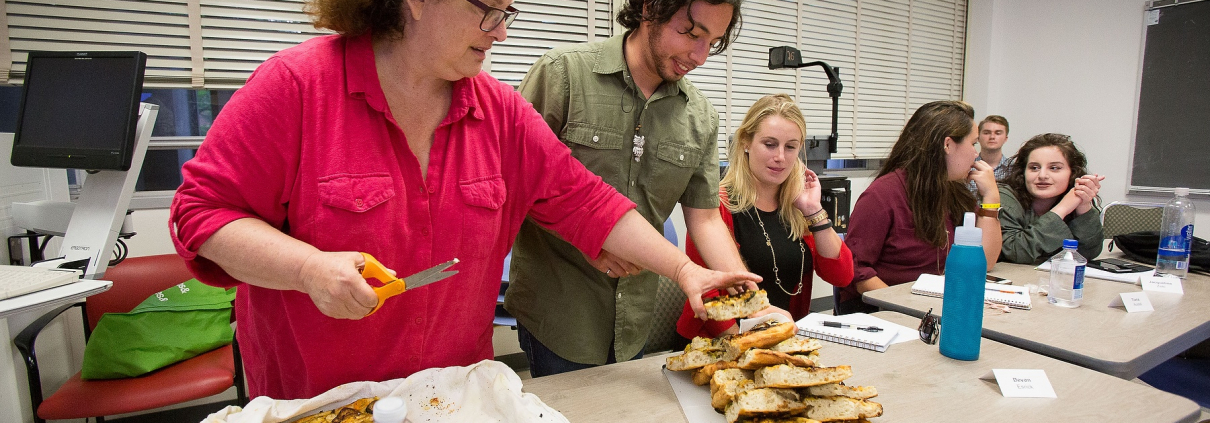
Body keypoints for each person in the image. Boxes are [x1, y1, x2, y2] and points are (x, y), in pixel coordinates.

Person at [169, 0, 758, 400]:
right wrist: (306, 268)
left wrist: (685, 270)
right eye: (488, 10)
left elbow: (587, 202)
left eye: (508, 12)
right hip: (320, 400)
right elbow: (202, 215)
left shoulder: (496, 111)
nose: (501, 31)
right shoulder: (296, 87)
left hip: (451, 396)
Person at [505, 0, 751, 377]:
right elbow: (511, 184)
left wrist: (748, 300)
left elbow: (705, 220)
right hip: (558, 311)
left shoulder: (701, 117)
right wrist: (587, 235)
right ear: (651, 9)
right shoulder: (563, 74)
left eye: (713, 42)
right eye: (692, 33)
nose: (699, 57)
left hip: (634, 318)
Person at [675, 94, 854, 339]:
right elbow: (708, 294)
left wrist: (814, 212)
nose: (780, 156)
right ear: (746, 142)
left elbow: (841, 276)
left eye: (790, 147)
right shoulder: (716, 206)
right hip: (720, 340)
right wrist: (743, 346)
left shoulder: (797, 207)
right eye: (770, 144)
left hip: (781, 337)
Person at [839, 100, 1003, 315]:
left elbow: (986, 262)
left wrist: (990, 198)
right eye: (973, 144)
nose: (976, 154)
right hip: (888, 311)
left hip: (936, 306)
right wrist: (911, 312)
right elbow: (858, 272)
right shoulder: (883, 195)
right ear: (947, 145)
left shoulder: (954, 191)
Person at [998, 133, 1105, 264]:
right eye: (1034, 168)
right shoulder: (1004, 196)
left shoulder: (1074, 198)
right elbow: (1015, 252)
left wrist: (1083, 206)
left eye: (1054, 168)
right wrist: (1062, 209)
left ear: (1073, 173)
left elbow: (1088, 253)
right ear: (1023, 172)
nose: (1042, 175)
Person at [967, 115, 1013, 193]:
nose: (992, 137)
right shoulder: (966, 167)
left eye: (998, 133)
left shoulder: (1013, 169)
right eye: (986, 133)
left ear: (1005, 139)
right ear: (978, 137)